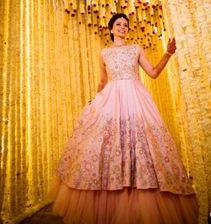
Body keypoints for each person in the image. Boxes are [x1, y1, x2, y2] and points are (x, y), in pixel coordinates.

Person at [48, 13, 199, 224]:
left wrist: (168, 53)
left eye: (125, 25)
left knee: (140, 144)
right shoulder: (104, 54)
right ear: (111, 29)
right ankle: (113, 202)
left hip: (135, 99)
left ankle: (140, 199)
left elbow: (153, 72)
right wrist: (94, 102)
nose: (122, 27)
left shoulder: (135, 48)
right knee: (110, 146)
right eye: (118, 24)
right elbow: (102, 82)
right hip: (111, 100)